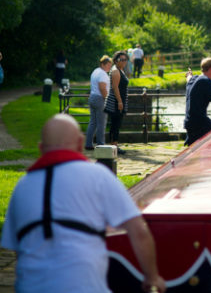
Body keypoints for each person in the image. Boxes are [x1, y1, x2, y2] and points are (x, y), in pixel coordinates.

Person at [0, 114, 165, 293]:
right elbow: (138, 231)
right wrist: (152, 277)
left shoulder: (22, 186)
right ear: (80, 144)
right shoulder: (99, 176)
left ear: (41, 149)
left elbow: (18, 248)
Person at [104, 50, 130, 155]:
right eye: (121, 59)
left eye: (125, 59)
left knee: (116, 124)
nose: (124, 61)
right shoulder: (115, 71)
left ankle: (114, 145)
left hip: (120, 100)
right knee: (115, 124)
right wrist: (119, 101)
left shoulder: (120, 69)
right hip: (115, 101)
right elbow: (115, 88)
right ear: (116, 60)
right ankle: (114, 146)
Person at [85, 55, 112, 150]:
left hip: (92, 97)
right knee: (101, 123)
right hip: (100, 99)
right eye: (108, 65)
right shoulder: (103, 74)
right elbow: (102, 87)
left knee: (93, 122)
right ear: (103, 64)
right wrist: (107, 99)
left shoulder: (95, 71)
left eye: (110, 65)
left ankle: (88, 143)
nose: (110, 67)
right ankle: (101, 144)